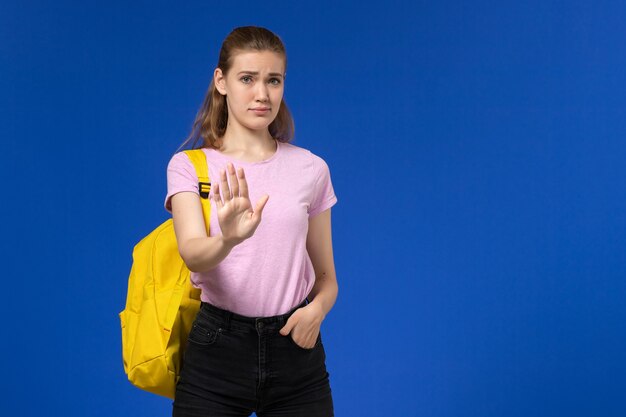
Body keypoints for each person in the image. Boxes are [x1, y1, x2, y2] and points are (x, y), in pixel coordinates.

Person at [164, 26, 338, 416]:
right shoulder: (191, 167)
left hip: (296, 352)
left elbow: (327, 277)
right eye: (248, 79)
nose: (262, 94)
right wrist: (228, 239)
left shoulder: (311, 169)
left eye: (273, 80)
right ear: (221, 81)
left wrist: (316, 311)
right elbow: (194, 255)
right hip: (216, 351)